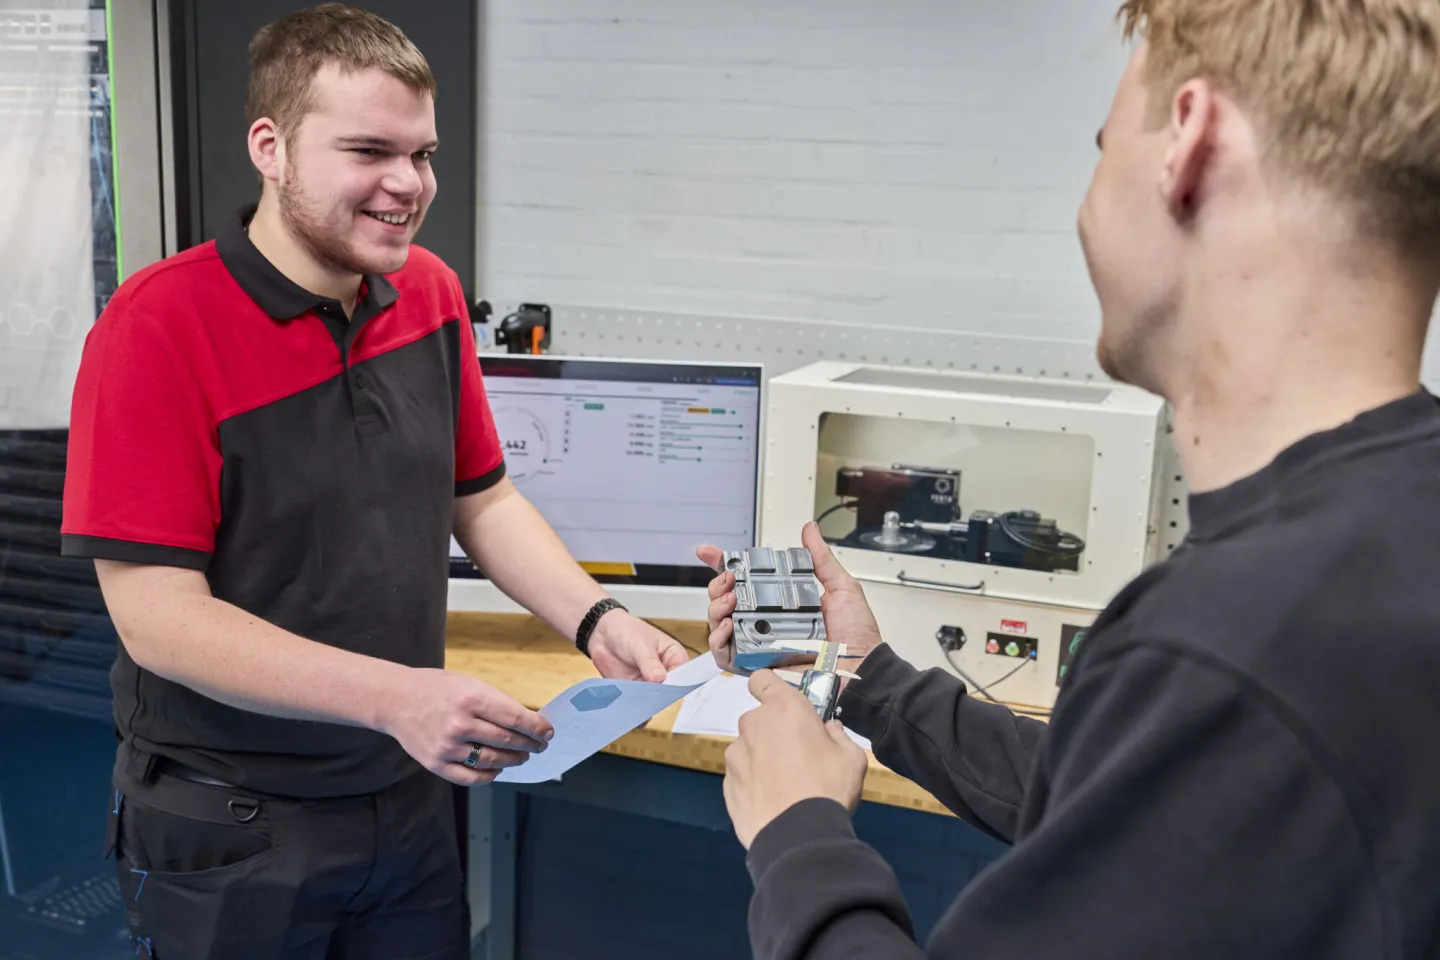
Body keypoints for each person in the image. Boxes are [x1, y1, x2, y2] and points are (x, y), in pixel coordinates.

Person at [699, 1, 1440, 957]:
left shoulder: (1228, 649)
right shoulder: (1377, 552)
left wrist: (798, 833)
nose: (1087, 204)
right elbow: (1129, 791)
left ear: (1191, 141)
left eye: (1102, 147)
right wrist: (872, 679)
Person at [60, 4, 687, 958]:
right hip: (234, 823)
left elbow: (481, 498)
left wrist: (600, 621)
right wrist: (397, 696)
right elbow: (157, 618)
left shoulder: (427, 291)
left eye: (423, 154)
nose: (408, 185)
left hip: (404, 797)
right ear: (269, 147)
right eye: (368, 151)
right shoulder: (156, 329)